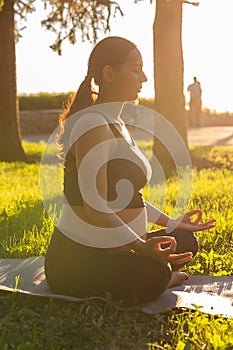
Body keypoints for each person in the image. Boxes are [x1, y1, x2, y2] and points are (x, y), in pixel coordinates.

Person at [44, 36, 215, 306]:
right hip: (80, 258)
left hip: (121, 248)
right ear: (109, 74)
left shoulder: (118, 123)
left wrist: (173, 223)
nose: (144, 78)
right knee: (154, 272)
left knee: (183, 239)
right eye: (136, 69)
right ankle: (159, 275)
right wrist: (141, 247)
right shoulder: (93, 124)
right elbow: (95, 206)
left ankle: (152, 267)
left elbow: (129, 197)